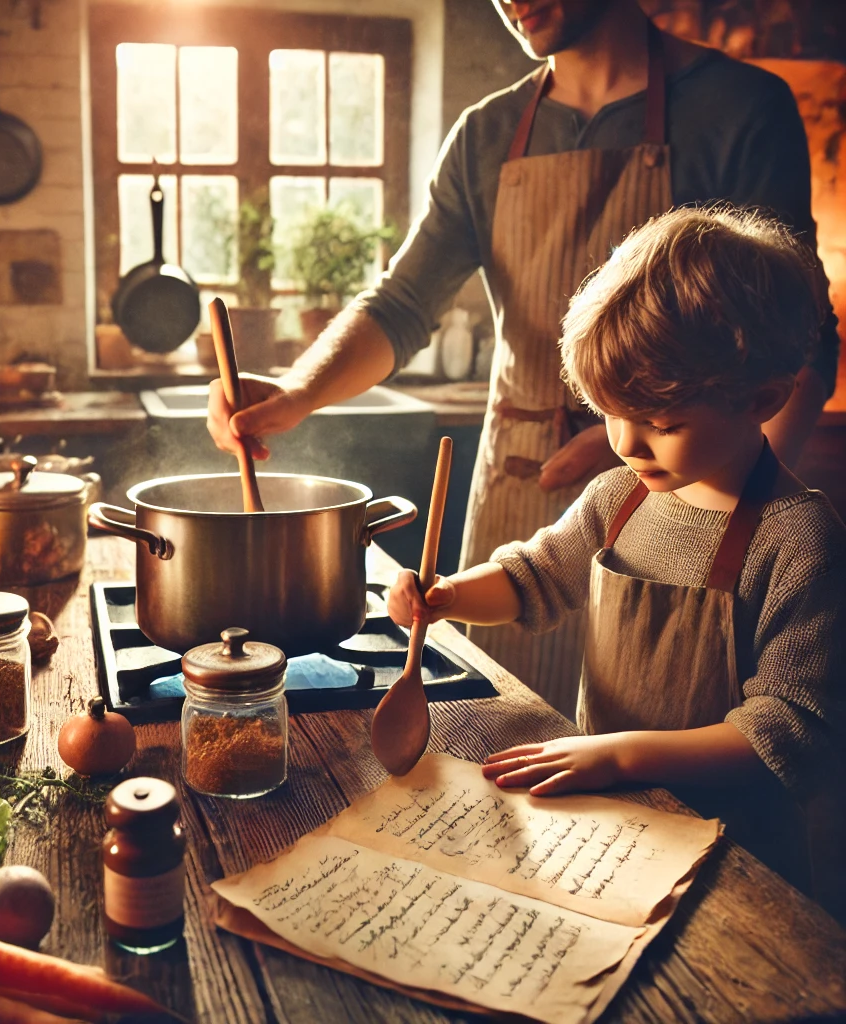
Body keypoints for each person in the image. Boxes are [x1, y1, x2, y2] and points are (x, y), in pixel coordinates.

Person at [207, 0, 839, 717]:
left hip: (698, 506)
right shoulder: (486, 133)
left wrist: (734, 515)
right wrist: (294, 395)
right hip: (516, 483)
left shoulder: (740, 109)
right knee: (500, 729)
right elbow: (403, 303)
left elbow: (801, 335)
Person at [387, 206, 845, 915]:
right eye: (611, 411)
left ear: (763, 398)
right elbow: (531, 578)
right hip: (610, 829)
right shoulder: (620, 498)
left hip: (737, 858)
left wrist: (622, 753)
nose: (627, 442)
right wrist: (445, 596)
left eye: (662, 423)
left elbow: (785, 733)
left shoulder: (799, 541)